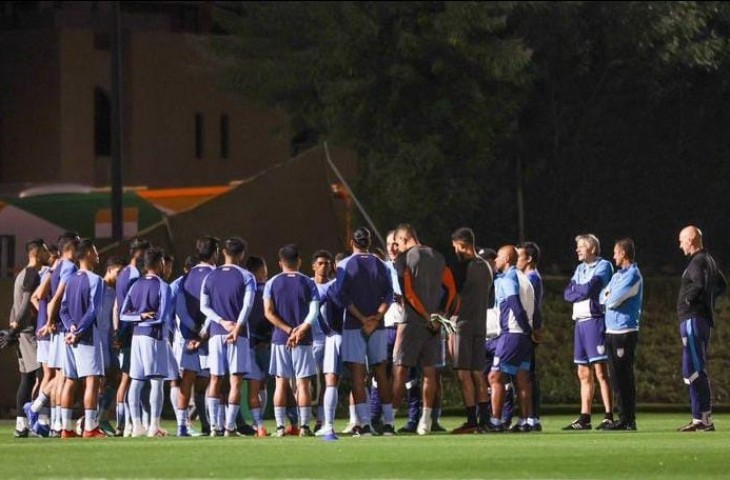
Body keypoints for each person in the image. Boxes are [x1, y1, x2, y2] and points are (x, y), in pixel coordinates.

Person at [391, 224, 457, 435]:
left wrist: (426, 316)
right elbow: (451, 290)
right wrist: (440, 315)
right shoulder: (438, 256)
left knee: (400, 370)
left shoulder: (404, 259)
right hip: (435, 325)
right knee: (430, 372)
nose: (397, 246)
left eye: (398, 242)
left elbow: (408, 293)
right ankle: (426, 421)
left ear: (404, 239)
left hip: (412, 322)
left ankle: (389, 420)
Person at [331, 227, 394, 436]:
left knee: (358, 375)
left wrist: (363, 319)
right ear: (369, 242)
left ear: (352, 243)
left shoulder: (344, 264)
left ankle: (365, 425)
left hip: (354, 325)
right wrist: (376, 318)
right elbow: (389, 295)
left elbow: (342, 296)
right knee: (381, 374)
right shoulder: (382, 264)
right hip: (378, 325)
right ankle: (389, 424)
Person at [199, 237, 256, 437]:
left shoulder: (210, 276)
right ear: (241, 254)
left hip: (216, 334)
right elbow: (248, 305)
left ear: (223, 252)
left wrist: (221, 322)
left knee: (214, 379)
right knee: (235, 381)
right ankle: (230, 426)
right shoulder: (247, 276)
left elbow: (203, 307)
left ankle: (214, 426)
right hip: (238, 335)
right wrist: (237, 327)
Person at [264, 244, 320, 437]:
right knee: (303, 384)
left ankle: (280, 427)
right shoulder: (308, 282)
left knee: (281, 383)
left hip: (280, 339)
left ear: (280, 263)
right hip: (303, 340)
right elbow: (314, 311)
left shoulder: (272, 283)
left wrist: (288, 330)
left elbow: (268, 313)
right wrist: (301, 329)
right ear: (299, 261)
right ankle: (304, 427)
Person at [676, 226, 727, 431]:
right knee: (690, 370)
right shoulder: (708, 260)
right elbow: (721, 285)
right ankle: (699, 418)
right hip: (696, 320)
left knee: (696, 369)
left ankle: (705, 419)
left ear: (691, 239)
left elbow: (699, 284)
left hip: (693, 321)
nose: (680, 245)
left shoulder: (698, 261)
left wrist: (690, 300)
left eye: (681, 240)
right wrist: (708, 300)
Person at [120, 247, 173, 437]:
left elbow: (123, 314)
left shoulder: (135, 285)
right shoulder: (163, 286)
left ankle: (136, 426)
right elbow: (162, 317)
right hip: (154, 337)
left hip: (136, 337)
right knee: (157, 382)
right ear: (160, 263)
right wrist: (147, 318)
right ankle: (153, 426)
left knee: (136, 382)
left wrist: (139, 316)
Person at [563, 234, 614, 430]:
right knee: (583, 372)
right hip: (580, 323)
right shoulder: (579, 268)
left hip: (595, 321)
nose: (577, 250)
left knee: (600, 371)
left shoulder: (604, 266)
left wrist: (579, 289)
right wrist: (579, 289)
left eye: (581, 246)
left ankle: (608, 415)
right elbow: (568, 293)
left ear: (592, 248)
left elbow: (590, 289)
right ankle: (585, 417)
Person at [58, 239, 105, 438]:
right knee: (92, 381)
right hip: (85, 337)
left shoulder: (70, 279)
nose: (97, 254)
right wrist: (77, 332)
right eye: (94, 251)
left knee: (70, 381)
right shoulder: (95, 280)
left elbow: (63, 309)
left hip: (68, 337)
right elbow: (93, 310)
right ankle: (90, 428)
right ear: (87, 254)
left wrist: (70, 328)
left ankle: (66, 429)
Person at [486, 245, 535, 433]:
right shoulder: (526, 279)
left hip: (512, 333)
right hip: (522, 336)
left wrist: (524, 327)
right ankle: (525, 421)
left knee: (495, 376)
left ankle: (496, 421)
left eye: (498, 257)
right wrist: (531, 330)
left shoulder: (509, 279)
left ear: (506, 258)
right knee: (522, 379)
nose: (496, 260)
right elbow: (535, 309)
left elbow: (514, 304)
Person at [449, 228, 492, 434]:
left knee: (463, 373)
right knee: (478, 373)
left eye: (456, 247)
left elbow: (451, 296)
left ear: (462, 244)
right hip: (480, 324)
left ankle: (471, 420)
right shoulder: (486, 266)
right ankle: (485, 420)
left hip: (462, 325)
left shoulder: (461, 268)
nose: (455, 251)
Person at [175, 237, 219, 436]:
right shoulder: (214, 275)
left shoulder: (187, 275)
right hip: (208, 335)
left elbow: (180, 307)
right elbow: (214, 307)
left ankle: (184, 426)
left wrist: (191, 331)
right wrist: (202, 333)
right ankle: (219, 424)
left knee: (189, 379)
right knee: (214, 379)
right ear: (215, 253)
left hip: (189, 336)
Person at [600, 238, 643, 431]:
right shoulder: (618, 275)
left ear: (624, 253)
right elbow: (603, 296)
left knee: (624, 376)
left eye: (616, 252)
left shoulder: (633, 275)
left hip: (624, 331)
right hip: (611, 331)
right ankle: (623, 417)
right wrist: (609, 296)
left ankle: (628, 419)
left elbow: (613, 300)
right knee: (616, 376)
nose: (614, 256)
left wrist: (609, 296)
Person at [41, 232, 80, 437]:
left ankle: (56, 423)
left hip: (56, 326)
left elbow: (44, 296)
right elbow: (56, 298)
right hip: (62, 328)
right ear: (71, 246)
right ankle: (58, 424)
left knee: (59, 376)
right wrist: (49, 322)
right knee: (65, 377)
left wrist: (49, 321)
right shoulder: (69, 267)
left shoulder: (56, 267)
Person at [9, 239, 47, 437]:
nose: (47, 252)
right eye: (45, 249)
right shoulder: (32, 273)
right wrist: (16, 328)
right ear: (37, 252)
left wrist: (12, 325)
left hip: (20, 331)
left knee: (27, 378)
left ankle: (21, 425)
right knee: (43, 375)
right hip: (28, 331)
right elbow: (24, 303)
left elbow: (14, 306)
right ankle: (36, 419)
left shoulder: (22, 274)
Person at [113, 238, 150, 436]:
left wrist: (117, 330)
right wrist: (123, 331)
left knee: (129, 379)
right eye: (145, 252)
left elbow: (118, 306)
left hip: (124, 329)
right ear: (138, 253)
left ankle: (127, 423)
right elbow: (131, 306)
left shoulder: (123, 272)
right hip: (131, 331)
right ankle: (124, 424)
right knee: (129, 379)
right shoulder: (135, 275)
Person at [516, 241, 544, 431]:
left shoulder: (532, 278)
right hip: (528, 329)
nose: (516, 260)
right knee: (526, 375)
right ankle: (530, 416)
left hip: (527, 331)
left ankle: (532, 417)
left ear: (529, 259)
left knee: (527, 375)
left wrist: (534, 328)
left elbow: (532, 308)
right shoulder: (527, 277)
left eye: (519, 256)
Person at [244, 255, 272, 437]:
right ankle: (293, 423)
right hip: (267, 343)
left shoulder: (244, 292)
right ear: (262, 272)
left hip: (247, 343)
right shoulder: (269, 290)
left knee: (254, 386)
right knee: (275, 384)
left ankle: (258, 424)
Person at [310, 249, 334, 432]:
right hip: (310, 341)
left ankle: (322, 419)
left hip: (330, 339)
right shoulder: (307, 285)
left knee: (328, 380)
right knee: (307, 382)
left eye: (327, 263)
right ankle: (302, 420)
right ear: (313, 266)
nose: (324, 266)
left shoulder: (334, 286)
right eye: (321, 263)